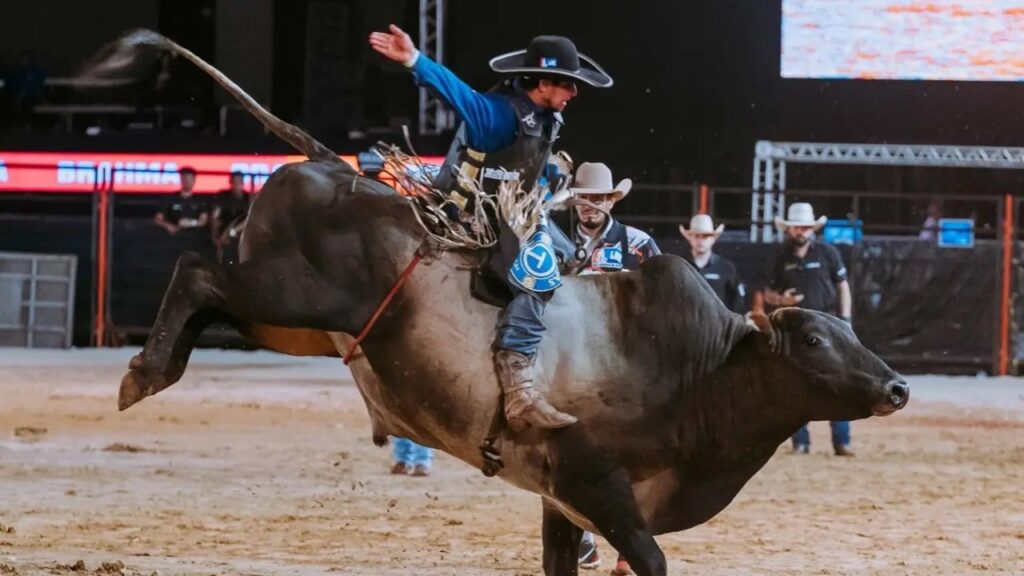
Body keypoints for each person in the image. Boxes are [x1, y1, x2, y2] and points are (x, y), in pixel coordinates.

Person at [370, 25, 613, 431]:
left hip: (516, 210)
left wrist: (549, 181)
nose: (574, 93)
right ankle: (517, 379)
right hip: (477, 212)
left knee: (573, 256)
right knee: (538, 276)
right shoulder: (500, 114)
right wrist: (415, 61)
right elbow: (460, 96)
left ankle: (544, 348)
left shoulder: (545, 117)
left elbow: (525, 168)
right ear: (543, 83)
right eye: (568, 85)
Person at [569, 162, 659, 576]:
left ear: (611, 201)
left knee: (632, 459)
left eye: (599, 198)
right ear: (575, 200)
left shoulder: (638, 244)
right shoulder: (552, 241)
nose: (591, 206)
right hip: (568, 364)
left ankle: (626, 545)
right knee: (570, 456)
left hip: (625, 365)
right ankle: (583, 537)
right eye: (584, 198)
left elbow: (660, 301)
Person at [764, 202, 854, 457]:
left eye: (804, 227)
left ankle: (842, 442)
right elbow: (768, 293)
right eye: (796, 228)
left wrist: (845, 319)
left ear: (812, 229)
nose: (800, 231)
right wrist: (783, 301)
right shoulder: (779, 257)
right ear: (789, 230)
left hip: (829, 326)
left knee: (838, 382)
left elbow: (842, 285)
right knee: (796, 385)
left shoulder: (828, 253)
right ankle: (801, 442)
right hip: (796, 331)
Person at [679, 214, 745, 312]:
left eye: (705, 236)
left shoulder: (726, 268)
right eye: (696, 236)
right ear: (690, 237)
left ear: (713, 239)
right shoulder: (680, 265)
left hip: (718, 324)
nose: (700, 241)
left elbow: (737, 302)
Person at [154, 167, 208, 235]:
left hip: (193, 238)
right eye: (185, 178)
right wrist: (168, 225)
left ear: (194, 180)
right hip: (173, 237)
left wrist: (191, 223)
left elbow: (203, 220)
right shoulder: (170, 198)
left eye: (190, 179)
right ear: (181, 179)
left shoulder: (200, 199)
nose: (187, 181)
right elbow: (157, 219)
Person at [211, 171, 251, 263]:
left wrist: (233, 231)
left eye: (239, 181)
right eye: (234, 181)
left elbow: (249, 219)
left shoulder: (249, 198)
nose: (237, 184)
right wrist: (215, 235)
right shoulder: (223, 197)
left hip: (242, 236)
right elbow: (215, 217)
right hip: (224, 236)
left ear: (243, 183)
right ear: (230, 182)